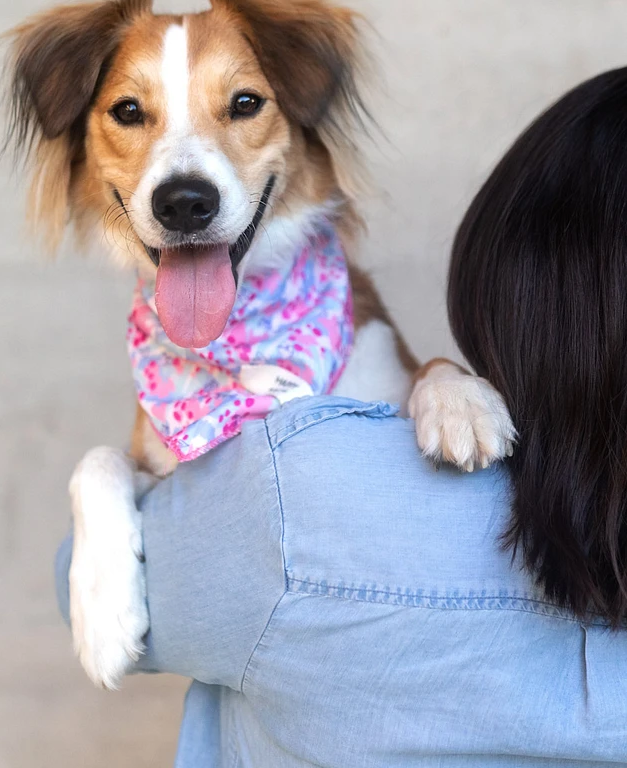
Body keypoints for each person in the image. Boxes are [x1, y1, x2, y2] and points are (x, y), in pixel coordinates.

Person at [56, 67, 627, 766]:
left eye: (240, 105)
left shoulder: (290, 496)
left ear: (507, 281)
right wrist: (440, 378)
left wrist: (99, 483)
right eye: (129, 113)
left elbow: (83, 587)